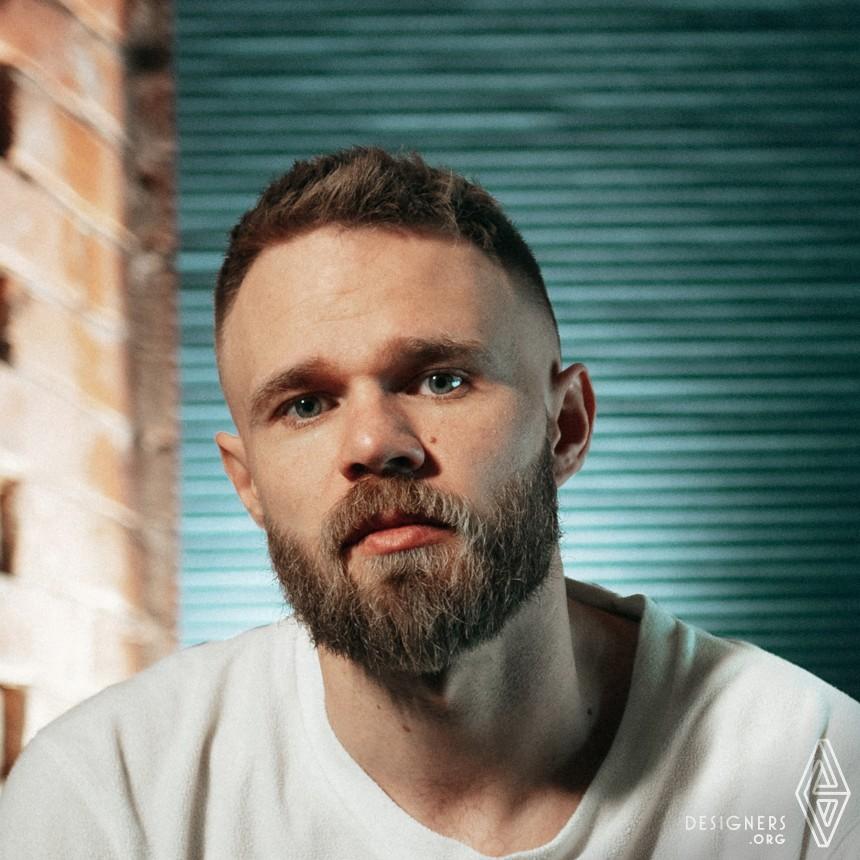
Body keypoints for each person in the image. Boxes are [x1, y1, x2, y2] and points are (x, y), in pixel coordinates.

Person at [0, 148, 857, 860]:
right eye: (306, 403)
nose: (377, 443)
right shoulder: (110, 802)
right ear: (247, 482)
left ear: (565, 425)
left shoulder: (811, 770)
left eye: (441, 379)